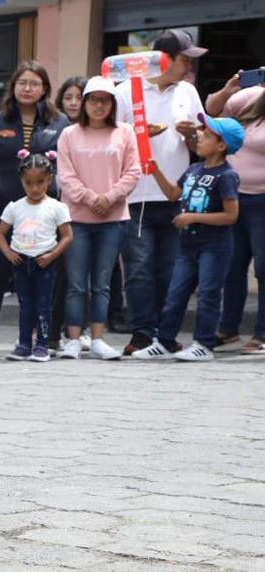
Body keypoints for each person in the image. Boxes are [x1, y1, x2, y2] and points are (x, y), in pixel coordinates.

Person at [115, 29, 207, 356]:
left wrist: (193, 135)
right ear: (164, 60)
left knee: (171, 270)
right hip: (136, 196)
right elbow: (111, 138)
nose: (190, 67)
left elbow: (202, 145)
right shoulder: (126, 90)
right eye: (185, 60)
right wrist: (138, 133)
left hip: (176, 195)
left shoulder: (188, 92)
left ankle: (165, 335)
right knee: (139, 270)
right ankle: (142, 333)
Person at [0, 61, 69, 358]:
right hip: (5, 209)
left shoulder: (60, 122)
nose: (28, 89)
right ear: (13, 87)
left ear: (45, 89)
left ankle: (40, 338)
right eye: (22, 83)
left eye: (34, 83)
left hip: (44, 213)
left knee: (45, 278)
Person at [132, 115, 244, 361]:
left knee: (208, 295)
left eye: (207, 134)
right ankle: (165, 342)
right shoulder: (194, 169)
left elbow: (231, 216)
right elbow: (173, 194)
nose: (199, 136)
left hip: (215, 246)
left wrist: (193, 217)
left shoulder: (226, 175)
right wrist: (155, 171)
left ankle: (204, 344)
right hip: (187, 246)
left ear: (222, 145)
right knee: (175, 295)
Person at [55, 76, 141, 360]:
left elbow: (133, 171)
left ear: (113, 104)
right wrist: (92, 198)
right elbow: (65, 176)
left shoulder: (125, 132)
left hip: (112, 219)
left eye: (105, 100)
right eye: (93, 100)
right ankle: (73, 339)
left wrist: (110, 197)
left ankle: (99, 339)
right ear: (85, 103)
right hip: (76, 219)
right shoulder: (69, 134)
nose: (99, 105)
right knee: (76, 284)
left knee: (102, 284)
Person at [0, 151, 73, 362]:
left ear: (49, 179)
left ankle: (43, 345)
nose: (34, 188)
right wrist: (9, 252)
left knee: (44, 305)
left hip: (45, 262)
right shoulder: (15, 207)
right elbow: (0, 234)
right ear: (21, 181)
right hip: (21, 262)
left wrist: (52, 255)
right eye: (29, 183)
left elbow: (67, 236)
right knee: (25, 305)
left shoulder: (57, 207)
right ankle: (24, 344)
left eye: (40, 182)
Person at [206, 72, 265, 353]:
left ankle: (261, 334)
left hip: (263, 200)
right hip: (234, 197)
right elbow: (212, 111)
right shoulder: (251, 98)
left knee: (263, 268)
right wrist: (228, 90)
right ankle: (228, 329)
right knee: (232, 265)